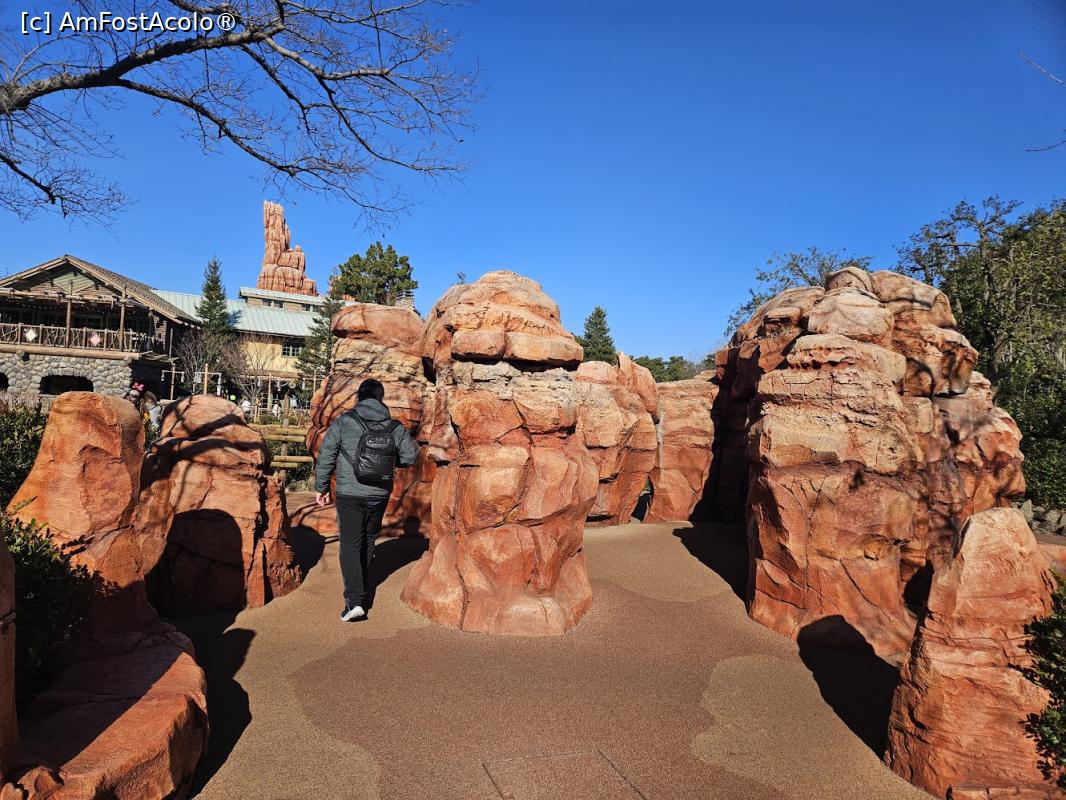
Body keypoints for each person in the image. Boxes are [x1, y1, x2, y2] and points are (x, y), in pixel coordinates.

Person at [315, 379, 419, 621]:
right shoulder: (394, 426)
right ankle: (360, 585)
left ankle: (354, 600)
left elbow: (327, 454)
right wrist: (388, 462)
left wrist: (321, 487)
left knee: (351, 543)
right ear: (381, 399)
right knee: (369, 539)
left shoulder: (345, 421)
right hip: (379, 493)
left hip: (350, 494)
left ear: (359, 397)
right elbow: (411, 456)